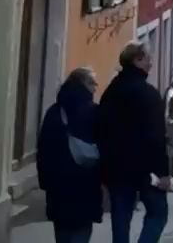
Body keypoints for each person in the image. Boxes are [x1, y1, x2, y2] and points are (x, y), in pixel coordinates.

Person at [96, 42, 170, 243]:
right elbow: (156, 135)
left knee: (121, 216)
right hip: (146, 167)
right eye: (148, 58)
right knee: (158, 213)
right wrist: (163, 173)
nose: (151, 63)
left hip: (116, 166)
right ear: (137, 60)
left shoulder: (111, 92)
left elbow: (101, 128)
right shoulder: (148, 94)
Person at [38, 67, 104, 243]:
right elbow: (104, 146)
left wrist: (45, 181)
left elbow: (43, 149)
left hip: (58, 186)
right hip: (85, 184)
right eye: (92, 83)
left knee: (62, 234)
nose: (95, 87)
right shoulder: (94, 112)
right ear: (83, 84)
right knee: (81, 232)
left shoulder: (54, 112)